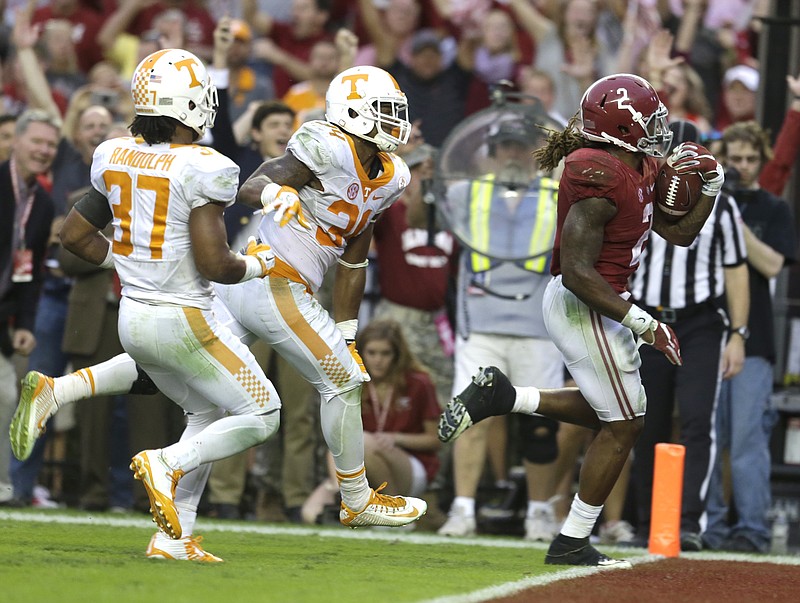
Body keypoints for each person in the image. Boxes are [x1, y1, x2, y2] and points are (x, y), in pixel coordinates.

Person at [10, 63, 428, 531]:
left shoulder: (393, 176)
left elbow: (355, 254)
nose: (395, 121)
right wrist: (274, 196)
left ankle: (175, 528)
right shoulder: (323, 144)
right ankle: (355, 496)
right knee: (339, 384)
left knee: (200, 400)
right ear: (351, 113)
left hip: (239, 287)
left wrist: (347, 329)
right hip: (271, 278)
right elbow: (256, 184)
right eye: (384, 111)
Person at [438, 73, 725, 566]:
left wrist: (710, 191)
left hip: (599, 302)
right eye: (649, 118)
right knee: (628, 424)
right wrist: (643, 323)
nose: (660, 127)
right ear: (621, 127)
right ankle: (571, 539)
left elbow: (676, 233)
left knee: (615, 414)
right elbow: (575, 271)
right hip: (587, 304)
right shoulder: (598, 174)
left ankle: (506, 396)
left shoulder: (635, 163)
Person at [11, 48, 281, 561]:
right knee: (263, 412)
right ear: (192, 105)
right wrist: (261, 265)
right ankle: (166, 462)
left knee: (204, 412)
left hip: (134, 318)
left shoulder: (114, 154)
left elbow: (72, 235)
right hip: (186, 320)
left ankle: (173, 538)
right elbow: (216, 264)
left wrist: (128, 262)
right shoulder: (205, 166)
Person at [436, 115, 564, 542]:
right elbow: (418, 207)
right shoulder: (463, 192)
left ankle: (540, 513)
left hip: (538, 327)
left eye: (520, 147)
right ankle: (463, 509)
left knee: (540, 422)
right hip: (482, 324)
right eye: (504, 147)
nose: (512, 155)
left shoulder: (557, 195)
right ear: (489, 155)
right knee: (471, 417)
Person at [629, 119, 750, 551]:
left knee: (699, 420)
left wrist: (737, 333)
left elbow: (736, 270)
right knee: (646, 422)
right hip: (647, 322)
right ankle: (648, 521)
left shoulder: (723, 204)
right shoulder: (639, 193)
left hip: (700, 322)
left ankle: (689, 522)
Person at [702, 121, 798, 553]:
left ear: (761, 161)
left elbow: (774, 265)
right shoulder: (700, 203)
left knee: (745, 440)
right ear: (721, 159)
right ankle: (709, 526)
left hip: (753, 337)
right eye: (733, 158)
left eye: (749, 159)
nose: (741, 166)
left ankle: (753, 531)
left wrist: (731, 219)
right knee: (708, 439)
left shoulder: (773, 209)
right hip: (704, 332)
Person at [302, 318, 441, 524]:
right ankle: (341, 494)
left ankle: (397, 513)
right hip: (361, 467)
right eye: (372, 353)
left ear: (397, 355)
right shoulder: (353, 381)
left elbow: (435, 440)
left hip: (409, 465)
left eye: (385, 353)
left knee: (361, 442)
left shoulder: (417, 383)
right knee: (311, 513)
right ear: (361, 353)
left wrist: (395, 438)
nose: (378, 360)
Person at [0, 109, 60, 507]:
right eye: (36, 141)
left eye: (51, 144)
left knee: (6, 394)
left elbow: (33, 271)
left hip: (4, 319)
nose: (43, 150)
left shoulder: (43, 204)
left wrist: (24, 323)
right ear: (16, 141)